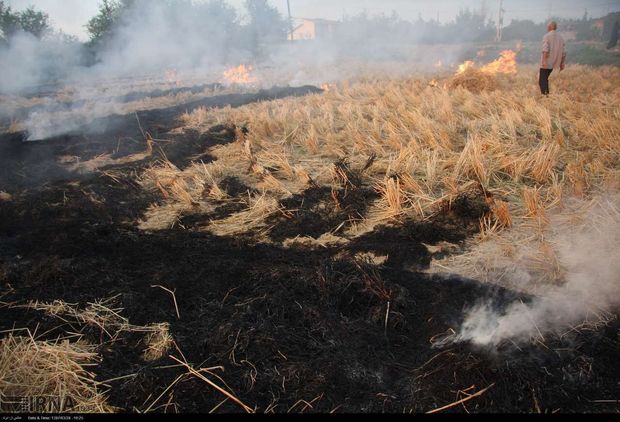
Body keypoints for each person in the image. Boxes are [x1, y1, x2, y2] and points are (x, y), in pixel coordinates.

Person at [539, 21, 566, 96]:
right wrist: (562, 63)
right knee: (545, 79)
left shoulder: (547, 36)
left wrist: (544, 61)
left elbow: (545, 49)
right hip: (555, 62)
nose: (547, 27)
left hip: (547, 62)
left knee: (542, 80)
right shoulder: (561, 37)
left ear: (550, 27)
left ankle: (545, 97)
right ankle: (546, 96)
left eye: (548, 26)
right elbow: (564, 52)